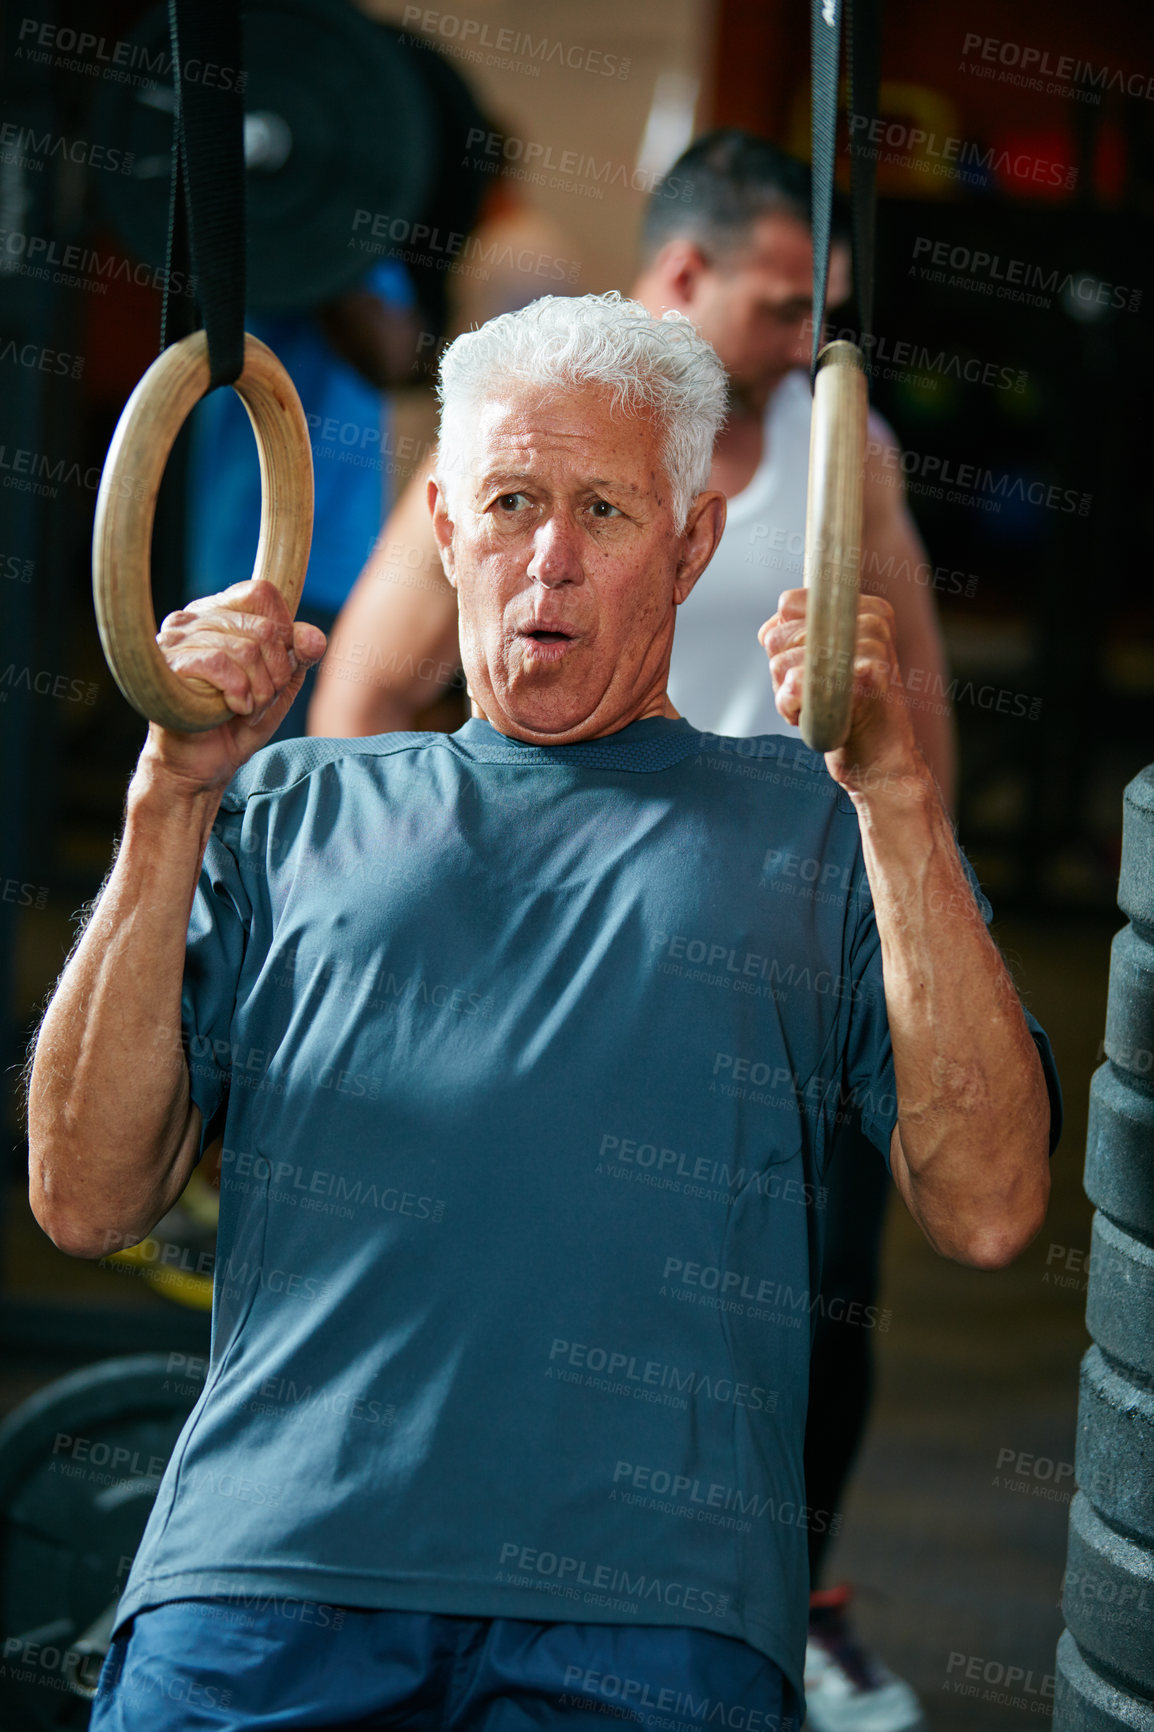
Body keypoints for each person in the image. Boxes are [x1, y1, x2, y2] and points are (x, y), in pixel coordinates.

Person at [29, 293, 1057, 1732]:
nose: (551, 562)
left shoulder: (816, 837)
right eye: (512, 502)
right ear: (444, 524)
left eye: (607, 512)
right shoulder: (280, 810)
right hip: (265, 1578)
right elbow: (84, 1196)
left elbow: (992, 1206)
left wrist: (893, 800)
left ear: (692, 543)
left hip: (648, 1607)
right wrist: (165, 796)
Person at [306, 132, 955, 1729]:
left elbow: (917, 689)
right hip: (543, 924)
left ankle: (786, 1601)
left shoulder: (834, 448)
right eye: (783, 303)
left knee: (817, 1289)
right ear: (682, 278)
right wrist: (321, 928)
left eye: (829, 311)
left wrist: (910, 884)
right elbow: (372, 688)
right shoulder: (537, 437)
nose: (807, 340)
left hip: (769, 934)